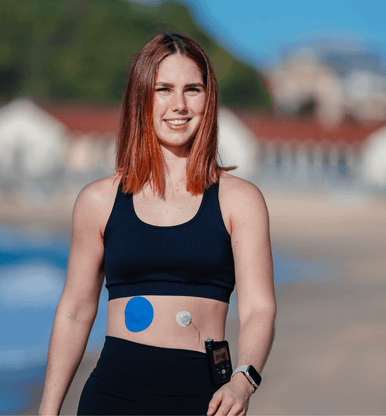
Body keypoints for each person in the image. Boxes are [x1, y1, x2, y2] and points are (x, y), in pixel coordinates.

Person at [39, 33, 276, 416]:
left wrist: (243, 381)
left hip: (206, 399)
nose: (178, 104)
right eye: (163, 88)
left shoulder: (240, 200)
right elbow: (75, 310)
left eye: (192, 89)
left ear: (208, 99)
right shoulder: (98, 201)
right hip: (111, 396)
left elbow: (258, 308)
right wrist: (48, 411)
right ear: (141, 98)